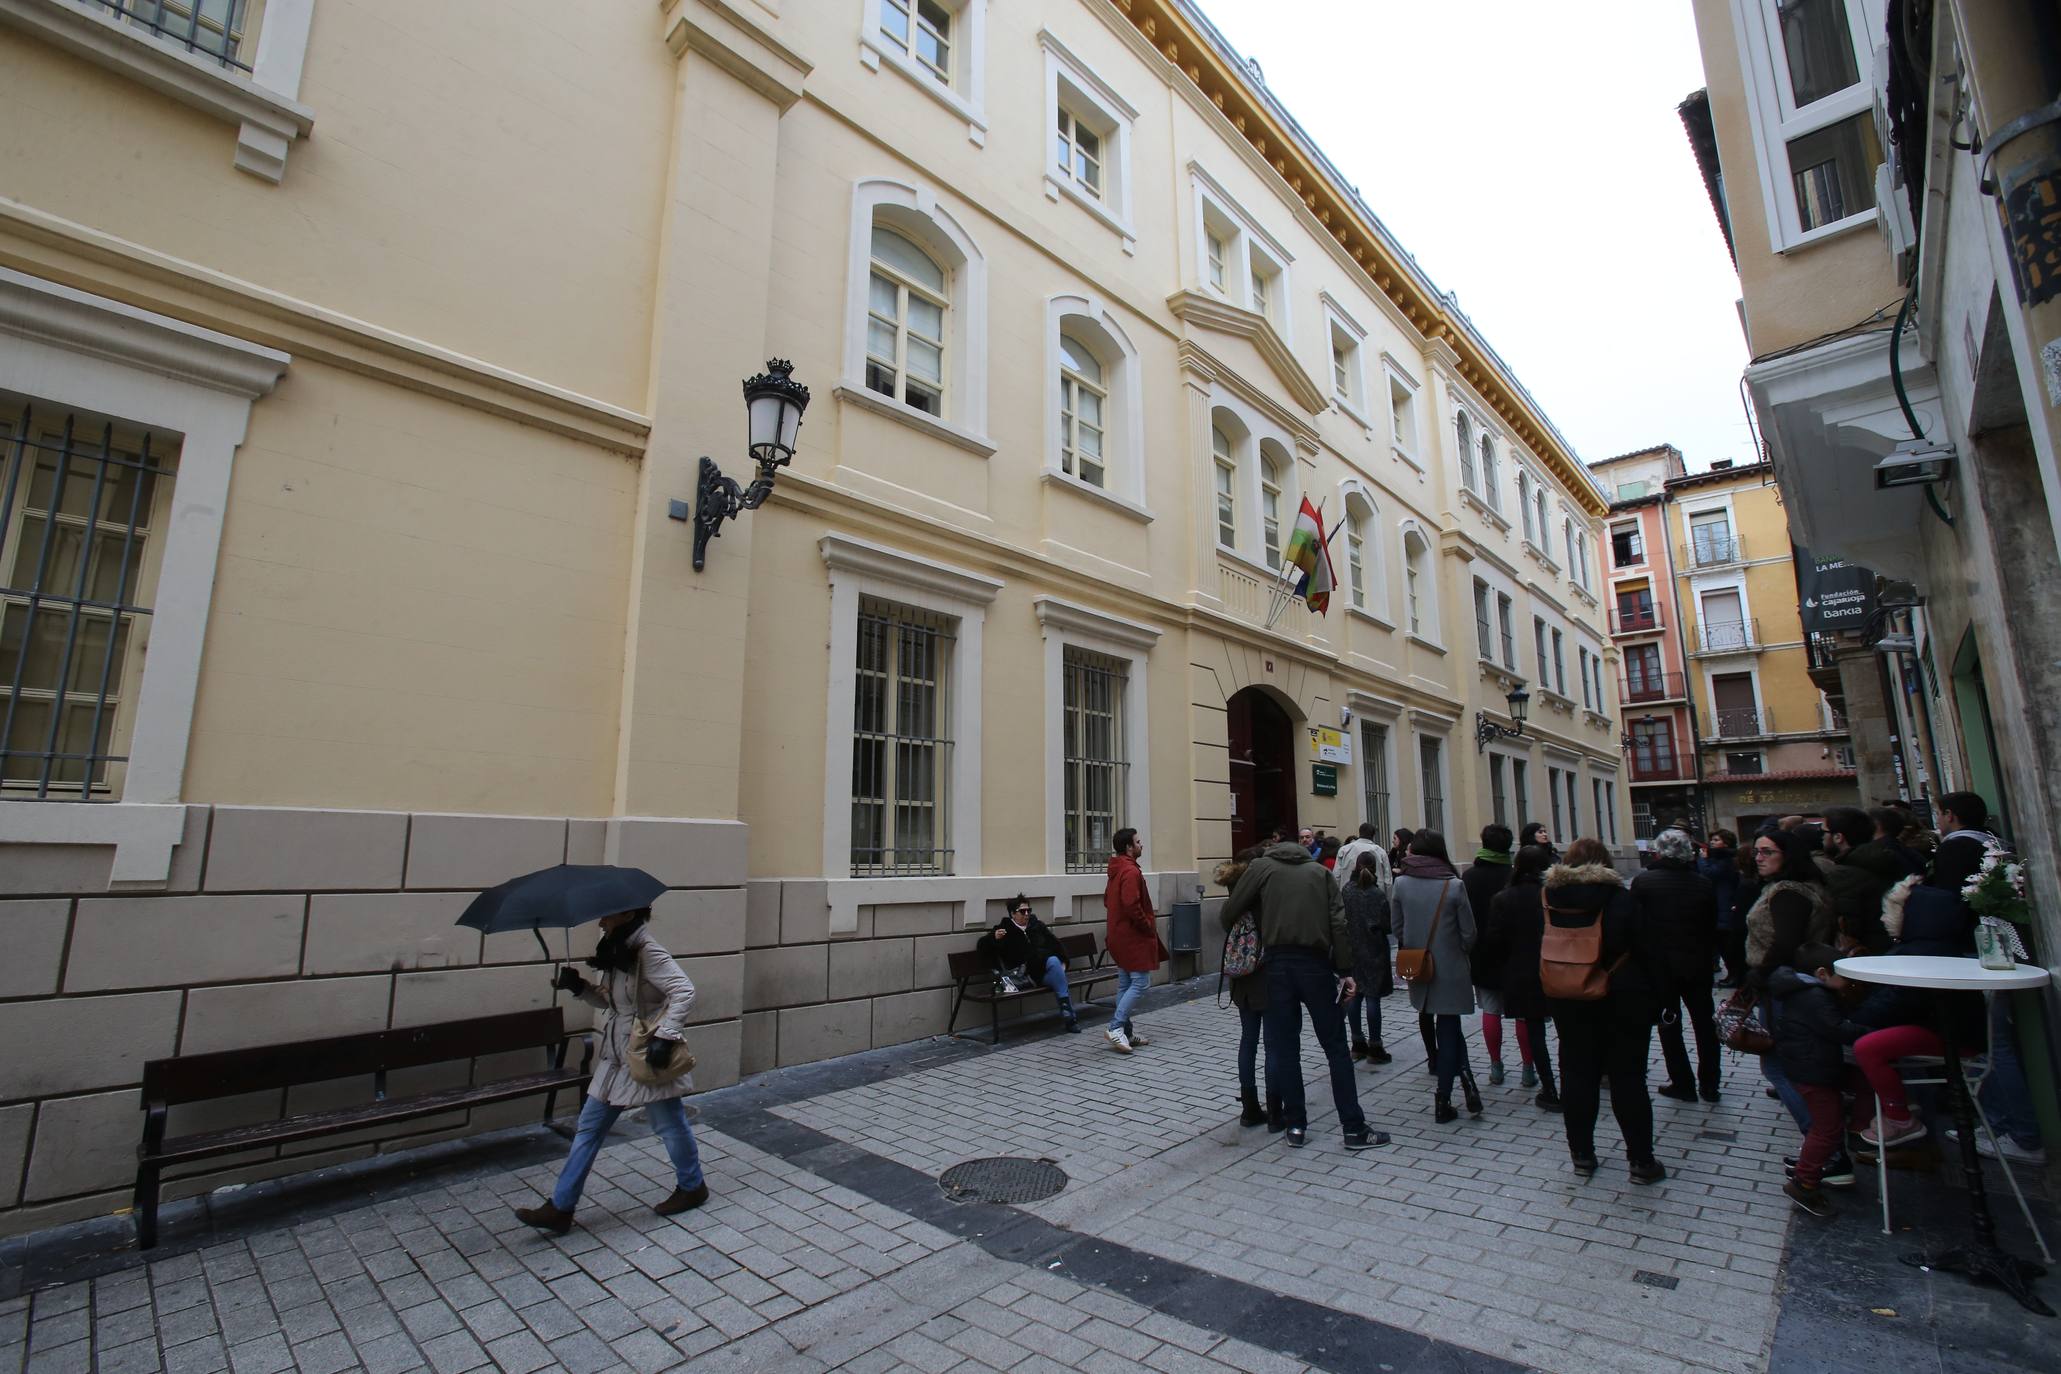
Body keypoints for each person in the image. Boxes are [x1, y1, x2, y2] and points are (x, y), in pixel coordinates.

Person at [515, 909, 706, 1234]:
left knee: (669, 1123)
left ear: (627, 913)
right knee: (588, 1128)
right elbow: (610, 1002)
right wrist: (579, 987)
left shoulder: (647, 950)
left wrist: (666, 1035)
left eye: (606, 916)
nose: (600, 922)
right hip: (615, 1057)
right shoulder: (617, 949)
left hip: (645, 1054)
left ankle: (692, 1187)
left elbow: (684, 991)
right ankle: (561, 1207)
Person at [1221, 836, 1386, 1150]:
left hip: (1276, 965)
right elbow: (1339, 924)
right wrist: (1345, 971)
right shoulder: (1318, 873)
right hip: (1316, 965)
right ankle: (1353, 1127)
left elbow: (1229, 911)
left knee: (1286, 1048)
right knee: (1336, 1047)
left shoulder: (1261, 867)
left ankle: (1295, 1125)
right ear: (1303, 850)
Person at [1545, 838, 1665, 1182]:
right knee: (1628, 1078)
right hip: (1622, 997)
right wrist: (1660, 1001)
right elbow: (1648, 950)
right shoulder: (1621, 899)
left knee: (1576, 1074)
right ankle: (1641, 1161)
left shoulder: (1550, 898)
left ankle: (1582, 1154)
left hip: (1568, 995)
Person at [1745, 828, 1834, 1139]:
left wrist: (1759, 973)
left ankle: (1821, 1142)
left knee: (1779, 1067)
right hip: (1797, 982)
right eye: (1757, 851)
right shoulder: (1807, 887)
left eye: (1767, 851)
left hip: (1785, 985)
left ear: (1788, 855)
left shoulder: (1788, 893)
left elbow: (1786, 943)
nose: (1758, 858)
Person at [1769, 943, 1866, 1217]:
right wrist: (1867, 1030)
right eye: (1843, 976)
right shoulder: (1815, 996)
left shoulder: (1801, 990)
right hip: (1814, 1069)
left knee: (1828, 1125)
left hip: (1809, 1065)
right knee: (1827, 1128)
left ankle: (1813, 1171)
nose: (1847, 983)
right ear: (1823, 974)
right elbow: (1835, 1029)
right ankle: (1805, 1181)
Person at [1394, 830, 1479, 1122]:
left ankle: (1461, 1084)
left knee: (1444, 1022)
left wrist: (1415, 944)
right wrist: (1457, 951)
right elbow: (1469, 933)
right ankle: (1447, 1094)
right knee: (1449, 1022)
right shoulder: (1454, 885)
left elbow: (1397, 927)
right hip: (1452, 965)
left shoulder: (1401, 884)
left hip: (1419, 965)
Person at [1633, 829, 1721, 1104]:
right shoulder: (1703, 883)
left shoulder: (1644, 882)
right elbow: (1711, 924)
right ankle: (1710, 1083)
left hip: (1661, 965)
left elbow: (1636, 926)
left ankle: (1682, 1081)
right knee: (1705, 1024)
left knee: (1669, 1022)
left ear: (1658, 852)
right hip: (1698, 963)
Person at [1473, 844, 1562, 1110]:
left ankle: (1499, 1067)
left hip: (1512, 967)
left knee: (1495, 1012)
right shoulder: (1552, 895)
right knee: (1533, 1024)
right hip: (1550, 968)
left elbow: (1494, 938)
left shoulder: (1503, 897)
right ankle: (1529, 1069)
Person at [1216, 847, 1278, 1128]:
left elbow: (1224, 922)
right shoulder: (1264, 895)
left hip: (1241, 975)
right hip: (1266, 973)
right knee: (1273, 1043)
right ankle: (1275, 1105)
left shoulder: (1234, 894)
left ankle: (1250, 1106)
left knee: (1248, 1040)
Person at [1461, 825, 1522, 1085]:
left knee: (1490, 1010)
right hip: (1516, 954)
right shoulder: (1515, 876)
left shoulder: (1470, 877)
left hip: (1483, 952)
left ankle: (1496, 1064)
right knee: (1523, 1013)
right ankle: (1529, 1067)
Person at [1103, 828, 1166, 1054]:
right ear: (1129, 847)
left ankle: (1126, 1033)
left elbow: (1107, 901)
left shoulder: (1117, 869)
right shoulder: (1130, 871)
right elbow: (1131, 904)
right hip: (1132, 936)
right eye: (1138, 842)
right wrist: (1146, 925)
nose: (1142, 845)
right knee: (1140, 982)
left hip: (1119, 934)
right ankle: (1116, 1027)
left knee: (1125, 983)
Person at [978, 895, 1078, 1032]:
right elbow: (982, 947)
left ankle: (1068, 1014)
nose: (1027, 914)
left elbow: (1056, 944)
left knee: (1055, 962)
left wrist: (1064, 963)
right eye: (1022, 911)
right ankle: (1069, 1016)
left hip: (1043, 974)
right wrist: (993, 938)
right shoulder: (1005, 929)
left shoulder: (1037, 926)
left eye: (1028, 911)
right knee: (1053, 964)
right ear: (1013, 914)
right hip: (1025, 976)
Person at [1821, 806, 1903, 954]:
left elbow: (1849, 925)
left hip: (1867, 953)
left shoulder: (1844, 874)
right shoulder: (1882, 858)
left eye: (1824, 832)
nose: (1821, 837)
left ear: (1838, 837)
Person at [1341, 850, 1393, 1063]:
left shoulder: (1347, 890)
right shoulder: (1377, 894)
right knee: (1372, 998)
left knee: (1354, 995)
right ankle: (1376, 1046)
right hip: (1374, 949)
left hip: (1352, 949)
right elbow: (1386, 925)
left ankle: (1357, 1043)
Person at [1700, 830, 1745, 986]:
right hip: (1719, 903)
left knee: (1727, 944)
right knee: (1722, 943)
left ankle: (1735, 976)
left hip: (1724, 904)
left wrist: (1703, 860)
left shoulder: (1726, 859)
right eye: (1712, 839)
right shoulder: (1721, 857)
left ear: (1726, 843)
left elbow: (1710, 873)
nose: (1712, 842)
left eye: (1716, 839)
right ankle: (1732, 974)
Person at [1335, 821, 1391, 893]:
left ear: (1359, 833)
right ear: (1373, 835)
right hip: (1375, 896)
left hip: (1348, 895)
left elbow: (1336, 876)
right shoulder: (1381, 852)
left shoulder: (1344, 850)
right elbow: (1388, 880)